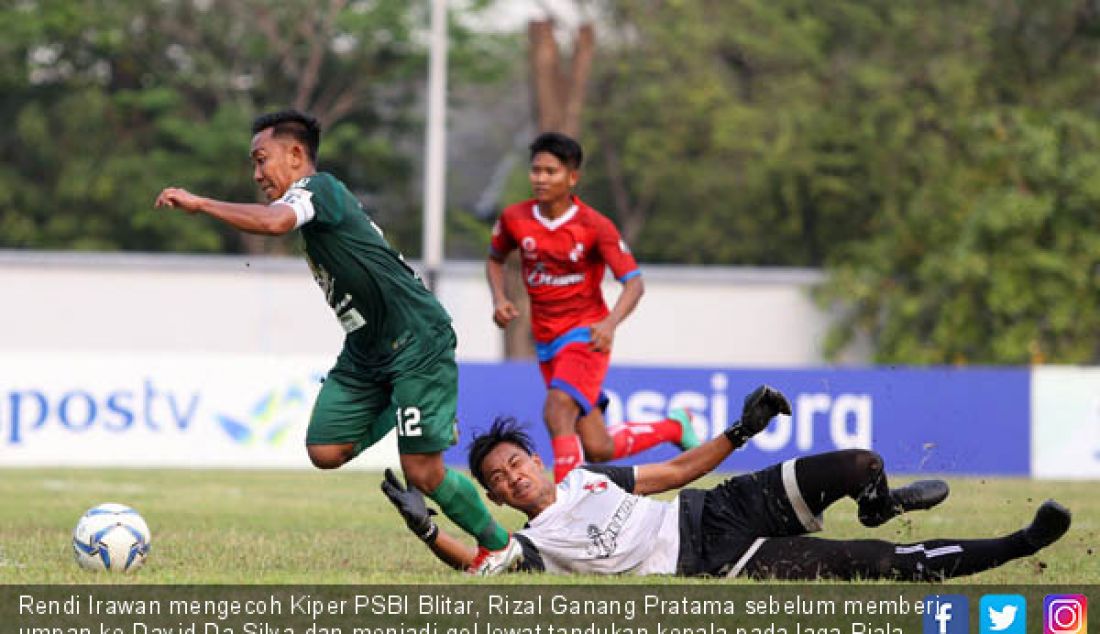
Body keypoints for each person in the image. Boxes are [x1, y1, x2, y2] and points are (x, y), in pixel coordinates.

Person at [155, 109, 515, 572]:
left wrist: (201, 204)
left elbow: (273, 223)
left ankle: (499, 545)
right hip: (367, 350)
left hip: (416, 338)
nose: (257, 173)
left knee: (422, 472)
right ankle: (410, 408)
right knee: (325, 450)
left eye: (261, 160)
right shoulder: (313, 206)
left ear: (296, 154)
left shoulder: (318, 189)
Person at [383, 385, 1072, 579]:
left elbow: (679, 469)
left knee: (862, 464)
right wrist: (425, 527)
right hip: (720, 559)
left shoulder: (593, 476)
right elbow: (476, 559)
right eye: (500, 479)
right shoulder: (533, 547)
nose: (513, 476)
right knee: (887, 566)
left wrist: (741, 432)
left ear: (534, 461)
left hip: (723, 504)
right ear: (499, 498)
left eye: (516, 461)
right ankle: (1021, 541)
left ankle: (879, 503)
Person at [487, 132, 698, 483]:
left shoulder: (595, 226)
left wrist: (610, 324)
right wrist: (499, 298)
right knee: (598, 447)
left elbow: (634, 283)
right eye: (535, 170)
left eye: (550, 172)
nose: (540, 178)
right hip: (546, 340)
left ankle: (568, 504)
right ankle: (674, 427)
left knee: (556, 411)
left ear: (572, 177)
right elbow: (495, 260)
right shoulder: (514, 218)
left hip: (586, 335)